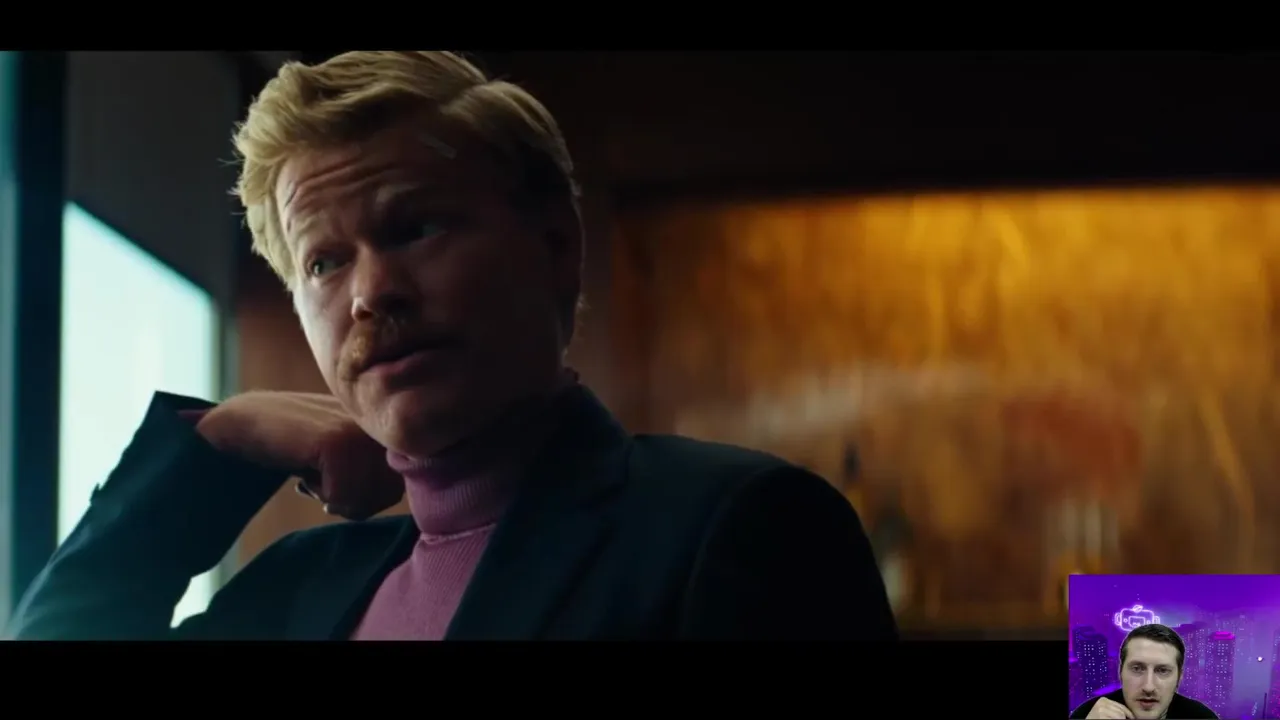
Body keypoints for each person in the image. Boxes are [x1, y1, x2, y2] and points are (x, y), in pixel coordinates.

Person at [5, 51, 898, 641]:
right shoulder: (297, 589)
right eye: (325, 262)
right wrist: (220, 441)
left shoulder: (734, 528)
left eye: (416, 227)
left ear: (557, 246)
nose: (371, 293)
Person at [1070, 624, 1217, 719]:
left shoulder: (1202, 717)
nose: (1148, 687)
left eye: (1163, 671)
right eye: (1137, 669)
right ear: (1120, 672)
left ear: (1179, 677)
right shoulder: (1088, 714)